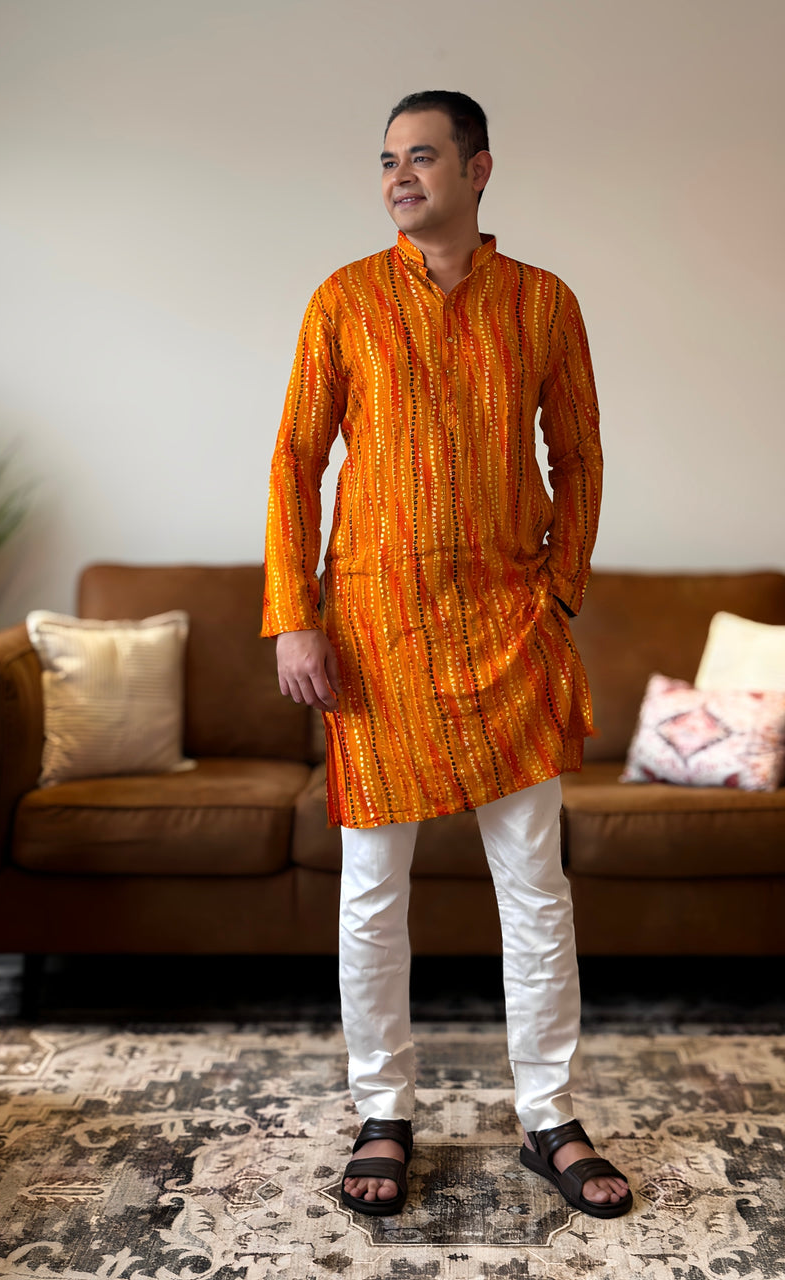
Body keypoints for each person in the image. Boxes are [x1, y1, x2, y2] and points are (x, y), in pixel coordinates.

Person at [262, 90, 630, 1220]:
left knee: (536, 886)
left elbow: (579, 453)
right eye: (387, 161)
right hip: (376, 633)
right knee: (373, 890)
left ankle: (549, 1115)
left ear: (478, 170)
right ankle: (383, 1111)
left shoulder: (543, 302)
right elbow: (295, 460)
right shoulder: (344, 299)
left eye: (421, 157)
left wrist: (558, 590)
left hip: (509, 628)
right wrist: (294, 614)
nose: (399, 177)